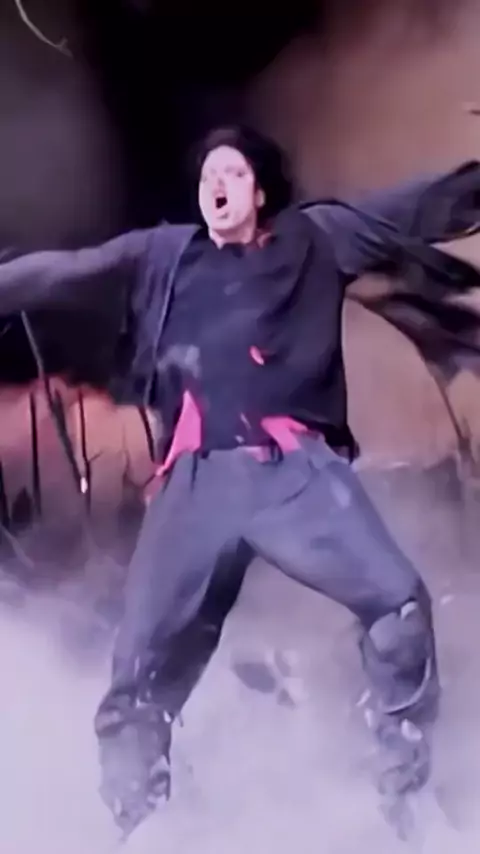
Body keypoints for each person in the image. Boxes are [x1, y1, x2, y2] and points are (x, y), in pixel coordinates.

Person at [0, 126, 479, 837]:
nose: (215, 186)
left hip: (294, 473)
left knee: (398, 600)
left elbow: (416, 207)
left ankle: (406, 790)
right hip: (197, 484)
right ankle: (140, 818)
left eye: (231, 173)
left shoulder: (316, 239)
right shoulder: (164, 254)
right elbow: (65, 272)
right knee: (138, 664)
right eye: (206, 176)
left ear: (259, 191)